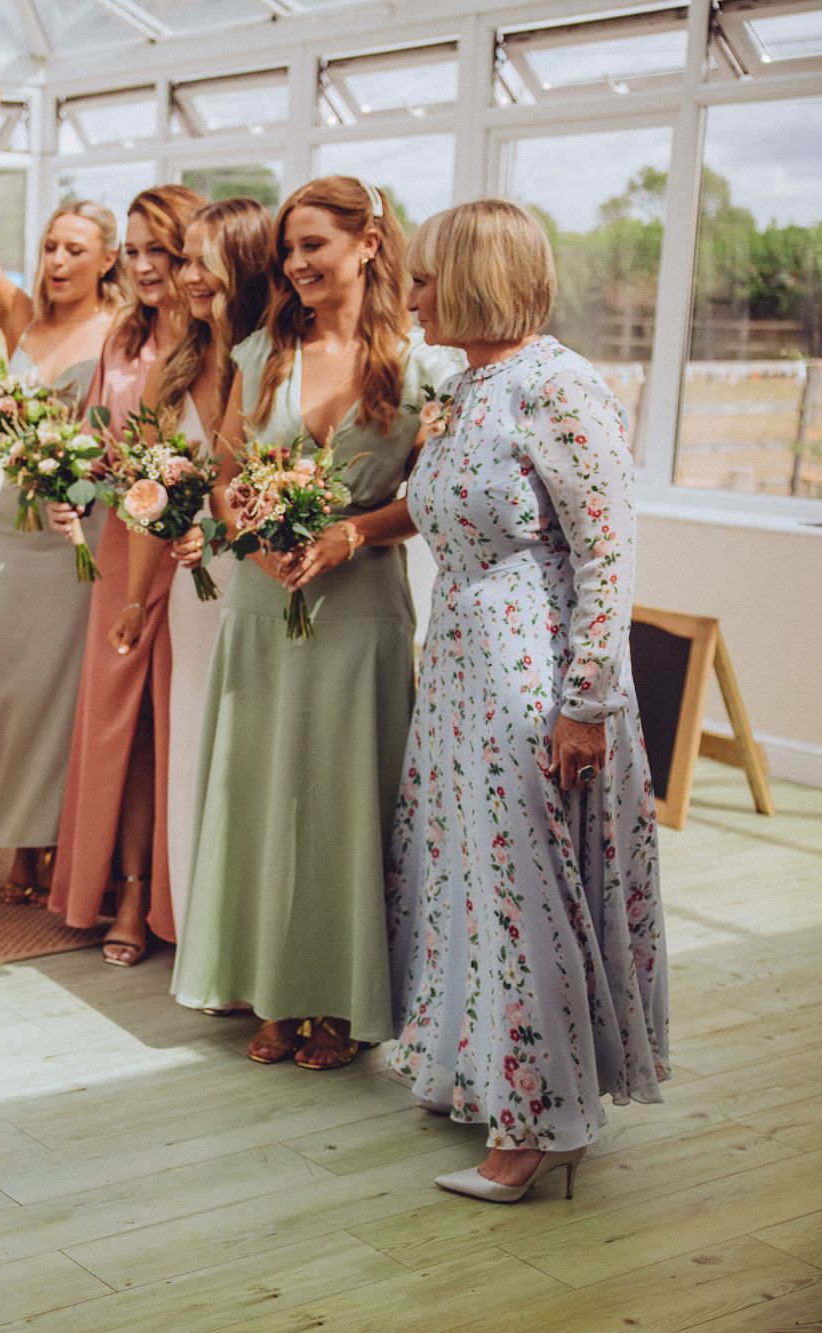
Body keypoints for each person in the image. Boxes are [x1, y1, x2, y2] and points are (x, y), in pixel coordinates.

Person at [386, 199, 667, 1203]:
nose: (408, 295)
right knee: (469, 881)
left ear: (469, 277)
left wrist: (583, 702)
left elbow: (606, 548)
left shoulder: (558, 385)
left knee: (525, 894)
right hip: (462, 663)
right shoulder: (468, 386)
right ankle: (487, 1073)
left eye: (421, 278)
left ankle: (537, 1123)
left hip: (527, 668)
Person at [170, 176, 462, 1070]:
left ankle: (340, 1002)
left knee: (345, 801)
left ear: (367, 246)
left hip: (362, 607)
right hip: (263, 605)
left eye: (314, 247)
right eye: (289, 249)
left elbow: (435, 499)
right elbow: (222, 476)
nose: (294, 264)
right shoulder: (260, 353)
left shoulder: (424, 370)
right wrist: (257, 542)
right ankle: (270, 984)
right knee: (261, 793)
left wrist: (353, 534)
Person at [0, 85, 123, 901]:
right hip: (13, 535)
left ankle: (59, 844)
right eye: (50, 246)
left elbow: (135, 435)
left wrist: (84, 487)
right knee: (12, 692)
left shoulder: (121, 333)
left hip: (82, 540)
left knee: (69, 693)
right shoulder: (19, 319)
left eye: (74, 250)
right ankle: (15, 837)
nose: (56, 262)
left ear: (108, 261)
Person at [45, 184, 204, 967]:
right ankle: (128, 890)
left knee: (179, 727)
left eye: (159, 251)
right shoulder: (120, 339)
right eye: (134, 250)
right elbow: (94, 449)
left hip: (195, 557)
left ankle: (184, 900)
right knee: (121, 731)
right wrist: (69, 493)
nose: (144, 266)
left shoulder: (221, 342)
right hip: (119, 550)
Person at [162, 198, 276, 992]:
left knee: (249, 756)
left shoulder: (276, 362)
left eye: (204, 260)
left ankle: (249, 939)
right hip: (188, 584)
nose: (187, 276)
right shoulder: (178, 362)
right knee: (194, 740)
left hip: (262, 577)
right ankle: (199, 932)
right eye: (184, 259)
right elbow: (154, 479)